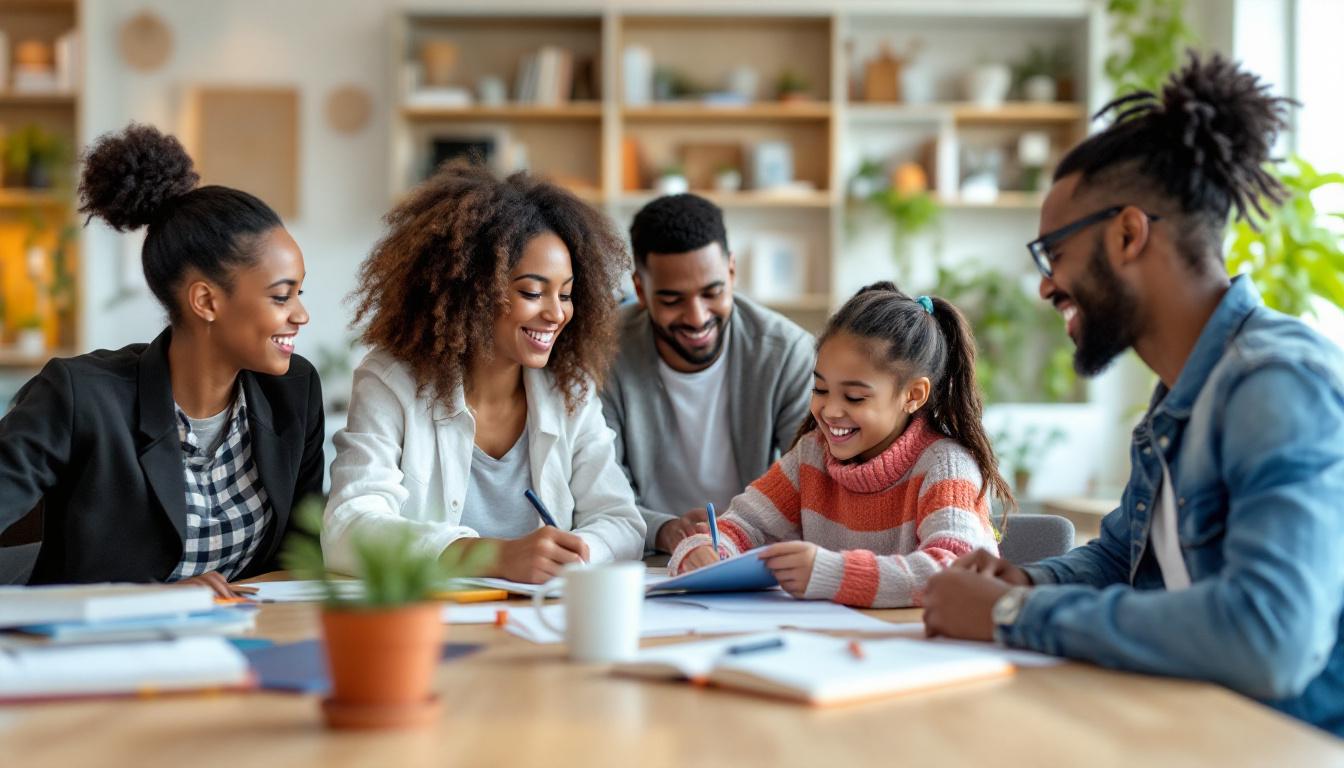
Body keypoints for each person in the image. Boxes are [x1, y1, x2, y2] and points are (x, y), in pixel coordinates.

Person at [920, 54, 1344, 737]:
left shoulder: (1275, 384)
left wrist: (1011, 616)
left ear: (1126, 233)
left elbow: (1272, 638)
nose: (1045, 285)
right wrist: (1023, 583)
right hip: (1186, 728)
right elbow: (1121, 557)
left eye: (1052, 254)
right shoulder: (1177, 400)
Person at [0, 123, 324, 596]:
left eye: (299, 293)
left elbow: (303, 557)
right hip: (102, 652)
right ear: (206, 301)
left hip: (251, 642)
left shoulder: (293, 391)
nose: (301, 315)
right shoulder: (79, 396)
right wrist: (153, 598)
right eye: (281, 297)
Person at [323, 163, 645, 583]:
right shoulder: (391, 381)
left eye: (565, 294)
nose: (555, 313)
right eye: (532, 292)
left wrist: (574, 558)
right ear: (471, 290)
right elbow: (349, 527)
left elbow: (622, 521)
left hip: (543, 621)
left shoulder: (570, 389)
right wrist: (488, 556)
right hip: (433, 624)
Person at [669, 282, 1010, 608]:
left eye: (854, 396)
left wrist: (832, 573)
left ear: (912, 395)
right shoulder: (812, 455)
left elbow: (953, 570)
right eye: (820, 390)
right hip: (840, 647)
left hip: (929, 654)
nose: (830, 410)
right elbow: (740, 525)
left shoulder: (945, 467)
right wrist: (702, 551)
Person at [599, 193, 814, 554]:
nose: (697, 317)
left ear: (731, 271)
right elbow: (600, 490)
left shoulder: (786, 353)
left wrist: (741, 533)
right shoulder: (602, 353)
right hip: (641, 556)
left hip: (752, 552)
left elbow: (812, 484)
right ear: (640, 289)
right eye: (671, 300)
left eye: (712, 292)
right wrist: (663, 529)